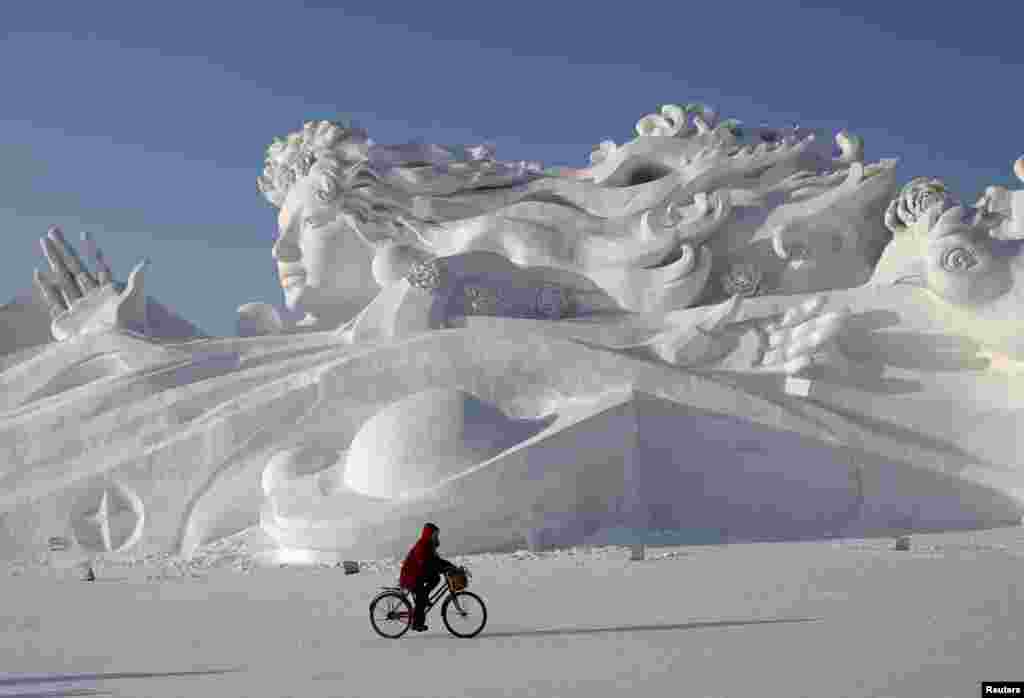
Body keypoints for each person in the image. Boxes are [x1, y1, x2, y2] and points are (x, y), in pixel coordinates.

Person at [399, 523, 457, 631]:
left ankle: (424, 597)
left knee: (436, 578)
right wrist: (441, 569)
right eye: (435, 534)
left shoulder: (429, 546)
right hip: (410, 576)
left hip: (418, 574)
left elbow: (436, 561)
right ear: (429, 534)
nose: (436, 536)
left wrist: (450, 566)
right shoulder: (422, 545)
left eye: (437, 535)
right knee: (420, 598)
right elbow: (425, 563)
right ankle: (417, 623)